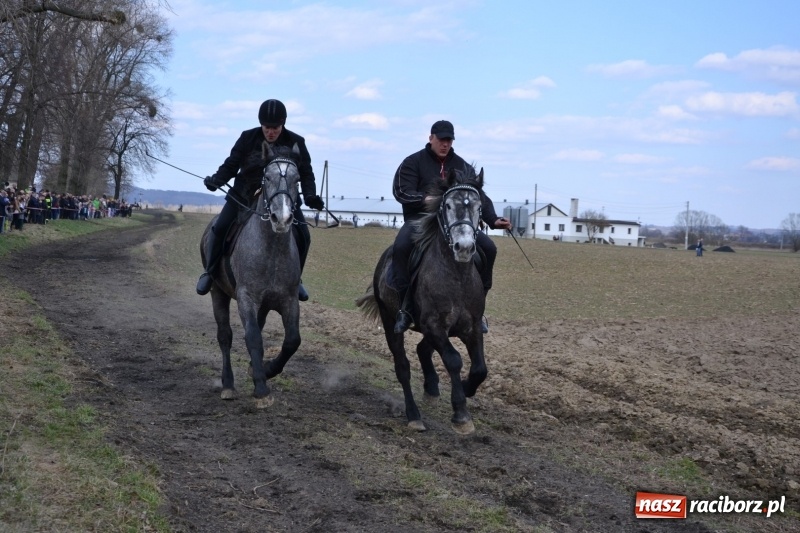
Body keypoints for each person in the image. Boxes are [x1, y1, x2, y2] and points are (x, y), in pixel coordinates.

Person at [391, 120, 512, 334]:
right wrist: (424, 199)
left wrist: (493, 220)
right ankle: (405, 307)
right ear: (431, 138)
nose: (445, 144)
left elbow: (478, 197)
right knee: (400, 248)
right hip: (420, 221)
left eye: (449, 140)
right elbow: (401, 191)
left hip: (456, 224)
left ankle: (478, 307)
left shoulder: (463, 166)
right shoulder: (412, 162)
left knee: (490, 249)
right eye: (441, 140)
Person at [197, 99, 324, 299]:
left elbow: (306, 173)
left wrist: (310, 196)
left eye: (275, 128)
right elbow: (231, 165)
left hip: (282, 199)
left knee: (304, 235)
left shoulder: (296, 141)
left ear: (282, 125)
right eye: (267, 128)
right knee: (219, 227)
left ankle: (296, 280)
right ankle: (210, 272)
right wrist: (217, 180)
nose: (270, 132)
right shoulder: (247, 138)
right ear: (261, 124)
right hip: (244, 195)